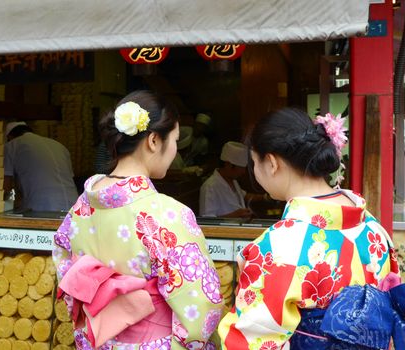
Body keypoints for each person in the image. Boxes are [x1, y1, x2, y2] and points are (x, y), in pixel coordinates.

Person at [218, 108, 403, 349]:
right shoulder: (373, 228)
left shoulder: (280, 246)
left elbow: (251, 341)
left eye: (254, 162)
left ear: (272, 163)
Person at [52, 91, 223, 349]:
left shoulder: (79, 209)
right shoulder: (166, 214)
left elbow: (69, 278)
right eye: (175, 140)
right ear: (154, 141)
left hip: (97, 340)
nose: (176, 148)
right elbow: (200, 306)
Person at [3, 121, 78, 212]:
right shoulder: (58, 145)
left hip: (44, 205)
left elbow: (6, 184)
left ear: (10, 137)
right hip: (74, 203)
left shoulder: (11, 146)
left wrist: (6, 209)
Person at [199, 141, 264, 218]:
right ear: (228, 165)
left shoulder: (234, 181)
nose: (243, 172)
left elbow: (245, 196)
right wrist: (235, 215)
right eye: (241, 168)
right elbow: (207, 220)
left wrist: (265, 197)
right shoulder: (209, 187)